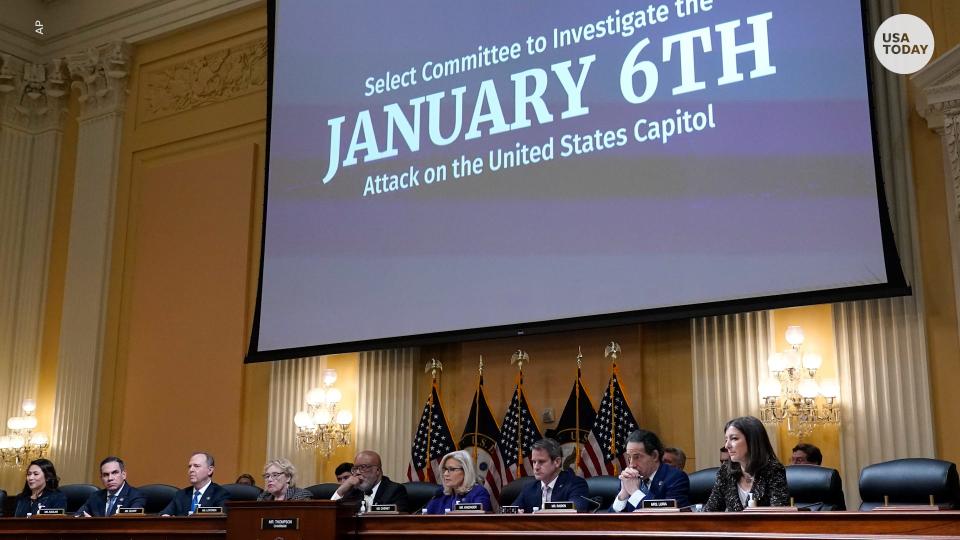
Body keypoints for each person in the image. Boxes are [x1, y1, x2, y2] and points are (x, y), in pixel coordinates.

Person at [703, 416, 789, 511]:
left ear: (752, 441)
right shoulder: (725, 472)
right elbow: (709, 512)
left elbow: (779, 515)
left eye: (734, 438)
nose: (727, 445)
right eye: (726, 439)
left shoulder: (773, 470)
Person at [610, 430, 690, 511]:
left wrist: (635, 493)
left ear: (654, 456)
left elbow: (670, 518)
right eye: (629, 457)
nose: (631, 465)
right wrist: (623, 495)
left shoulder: (675, 478)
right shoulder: (630, 480)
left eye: (637, 457)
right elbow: (608, 521)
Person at [511, 438, 590, 513]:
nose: (536, 467)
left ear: (557, 462)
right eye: (534, 462)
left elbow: (576, 512)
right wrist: (515, 513)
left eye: (541, 462)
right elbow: (510, 512)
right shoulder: (529, 489)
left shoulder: (576, 484)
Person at [332, 450, 409, 512]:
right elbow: (331, 514)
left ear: (377, 470)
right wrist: (341, 491)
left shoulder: (395, 490)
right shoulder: (353, 490)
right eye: (355, 469)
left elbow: (396, 522)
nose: (358, 472)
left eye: (363, 467)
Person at [160, 452, 230, 516]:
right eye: (190, 466)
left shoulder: (220, 494)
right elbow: (164, 514)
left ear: (210, 470)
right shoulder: (181, 495)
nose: (191, 470)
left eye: (196, 466)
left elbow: (221, 521)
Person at [423, 450, 492, 514]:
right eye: (445, 469)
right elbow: (424, 519)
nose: (445, 474)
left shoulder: (479, 493)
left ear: (466, 471)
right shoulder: (441, 494)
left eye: (452, 469)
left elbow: (478, 519)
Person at [76, 456, 146, 516]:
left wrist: (94, 524)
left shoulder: (136, 496)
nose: (110, 478)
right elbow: (77, 516)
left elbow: (130, 523)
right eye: (105, 475)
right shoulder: (95, 496)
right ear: (101, 478)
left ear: (124, 475)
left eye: (114, 473)